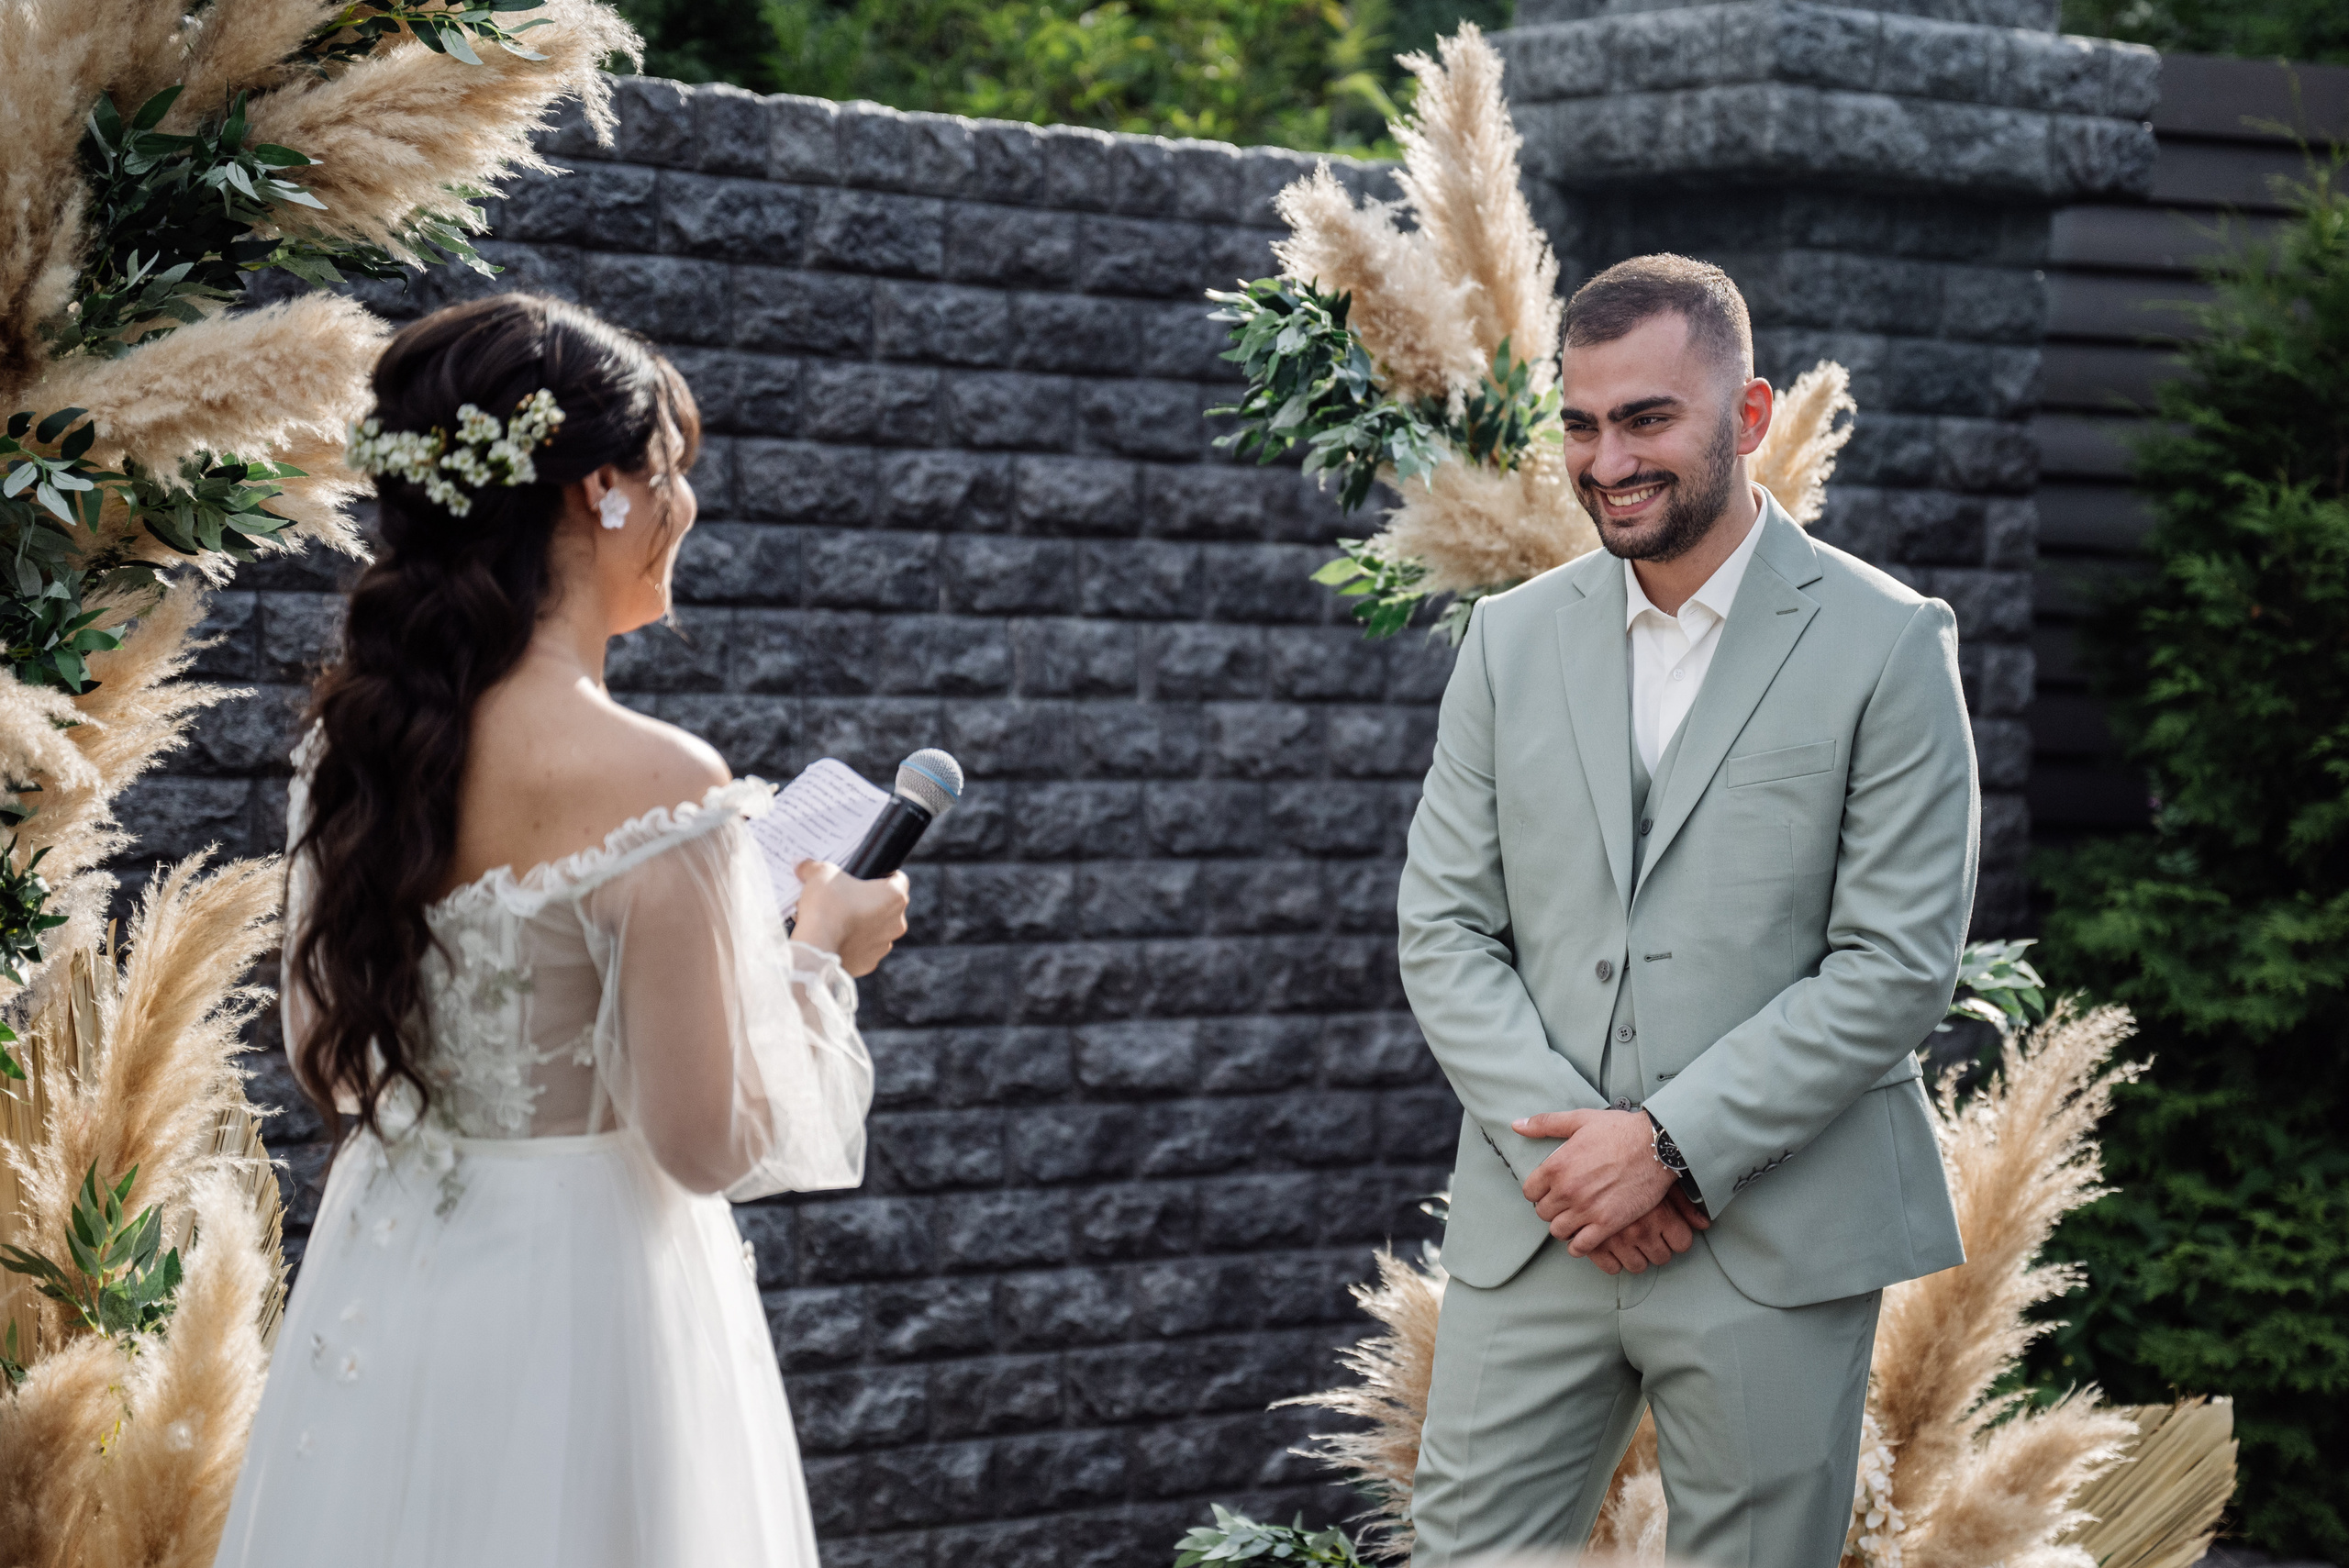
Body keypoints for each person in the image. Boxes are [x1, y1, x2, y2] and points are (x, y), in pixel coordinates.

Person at [214, 294, 910, 1567]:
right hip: (594, 1302)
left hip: (395, 1276)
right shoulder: (659, 782)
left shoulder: (356, 748)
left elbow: (329, 1053)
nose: (680, 508)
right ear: (602, 490)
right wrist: (817, 955)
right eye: (669, 474)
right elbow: (706, 1142)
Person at [1397, 254, 1975, 1566]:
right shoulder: (1509, 641)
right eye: (1584, 424)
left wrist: (1671, 1143)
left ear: (1751, 414)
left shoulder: (1888, 644)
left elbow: (1894, 965)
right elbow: (1441, 928)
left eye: (1648, 419)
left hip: (1772, 1233)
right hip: (1537, 1227)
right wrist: (1577, 1162)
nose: (1608, 462)